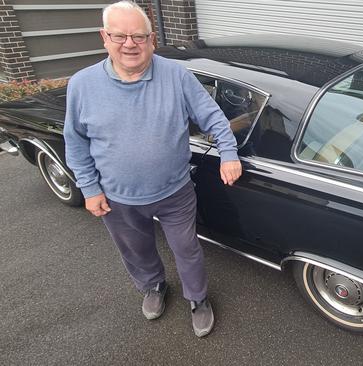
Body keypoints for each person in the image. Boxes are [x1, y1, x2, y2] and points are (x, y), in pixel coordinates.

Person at [63, 0, 242, 338]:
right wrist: (89, 188)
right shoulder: (82, 85)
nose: (130, 44)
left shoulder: (176, 76)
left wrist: (229, 152)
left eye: (139, 36)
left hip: (175, 191)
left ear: (152, 39)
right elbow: (76, 142)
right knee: (136, 249)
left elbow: (214, 117)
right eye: (120, 36)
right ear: (104, 37)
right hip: (117, 198)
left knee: (187, 248)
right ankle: (153, 286)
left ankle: (197, 298)